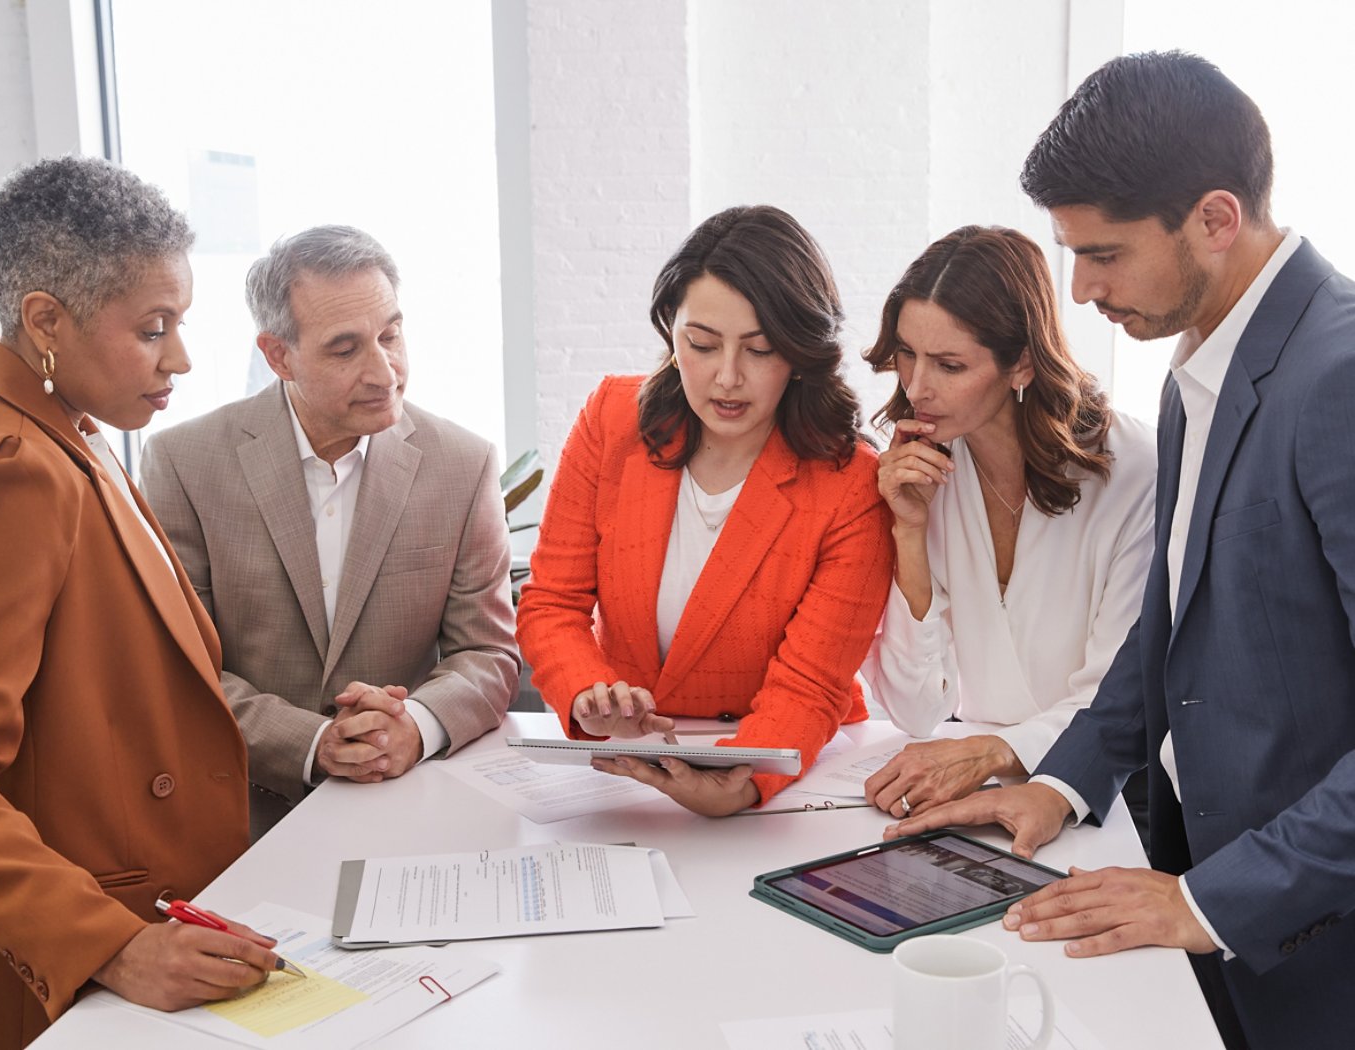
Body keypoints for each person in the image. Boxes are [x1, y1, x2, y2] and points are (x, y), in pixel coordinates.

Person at [893, 51, 1355, 1050]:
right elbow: (1174, 627)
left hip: (1311, 945)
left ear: (1214, 219)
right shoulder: (1198, 362)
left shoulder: (1339, 377)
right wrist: (1057, 782)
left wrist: (1211, 904)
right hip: (1200, 896)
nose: (1081, 288)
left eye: (1101, 253)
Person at [0, 156, 285, 1049]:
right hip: (82, 971)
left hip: (166, 914)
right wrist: (112, 946)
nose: (179, 357)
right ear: (45, 321)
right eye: (152, 329)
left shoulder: (78, 432)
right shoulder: (12, 468)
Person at [141, 226, 520, 836]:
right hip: (238, 817)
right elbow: (177, 667)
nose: (384, 371)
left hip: (411, 812)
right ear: (277, 355)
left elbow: (488, 653)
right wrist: (311, 741)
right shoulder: (184, 463)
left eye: (391, 336)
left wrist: (415, 726)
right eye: (345, 350)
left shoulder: (463, 462)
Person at [516, 205, 893, 816]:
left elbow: (812, 684)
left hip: (784, 767)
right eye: (702, 344)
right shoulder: (612, 419)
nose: (727, 378)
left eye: (760, 349)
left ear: (800, 352)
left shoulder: (850, 483)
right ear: (672, 332)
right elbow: (552, 602)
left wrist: (744, 781)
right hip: (627, 764)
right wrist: (590, 693)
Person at [858, 226, 1155, 817]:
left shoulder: (1132, 471)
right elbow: (917, 711)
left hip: (1109, 795)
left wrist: (991, 752)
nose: (917, 388)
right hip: (966, 779)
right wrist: (909, 533)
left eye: (948, 364)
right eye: (907, 354)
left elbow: (1117, 697)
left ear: (1021, 363)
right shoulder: (921, 473)